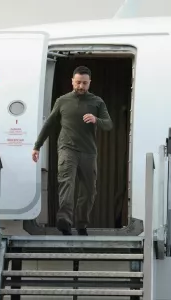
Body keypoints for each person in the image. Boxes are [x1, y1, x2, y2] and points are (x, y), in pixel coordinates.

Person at [32, 66, 113, 236]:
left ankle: (82, 224)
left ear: (90, 82)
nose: (81, 86)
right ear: (72, 81)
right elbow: (49, 124)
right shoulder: (62, 101)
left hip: (89, 152)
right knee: (67, 183)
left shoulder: (97, 102)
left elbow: (108, 124)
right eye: (78, 82)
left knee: (89, 190)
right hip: (67, 149)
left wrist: (96, 119)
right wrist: (37, 146)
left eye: (84, 83)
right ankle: (65, 222)